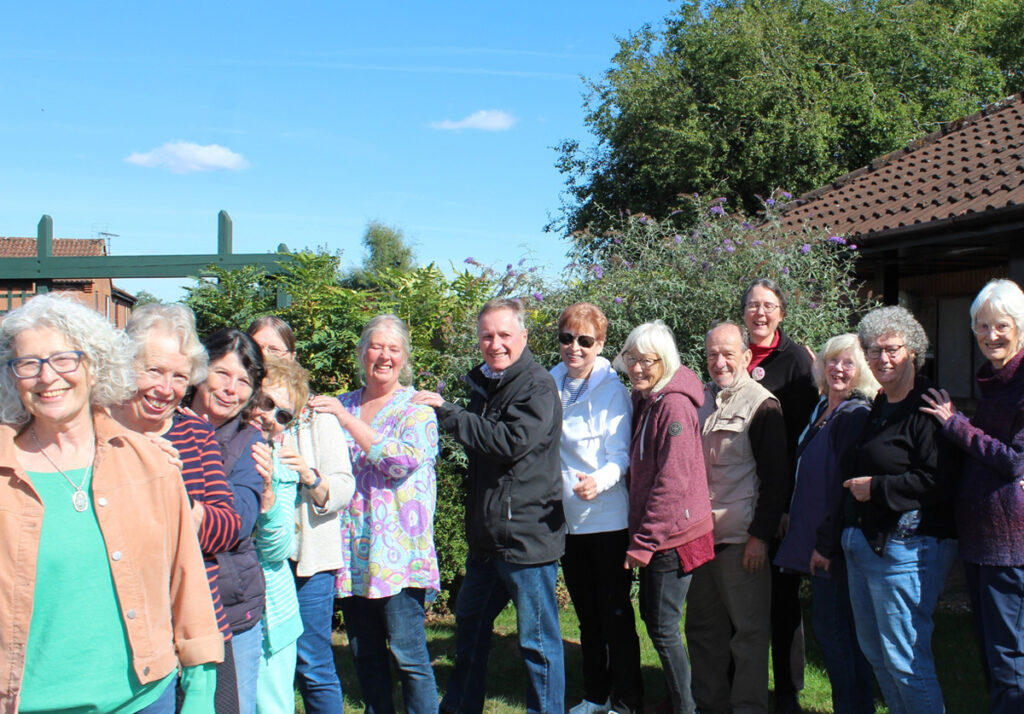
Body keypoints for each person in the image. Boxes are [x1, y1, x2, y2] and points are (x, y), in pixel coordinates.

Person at [0, 293, 223, 712]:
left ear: (94, 363)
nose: (48, 378)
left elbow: (187, 585)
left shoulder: (150, 465)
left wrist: (198, 695)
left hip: (144, 700)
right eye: (29, 363)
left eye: (64, 359)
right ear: (13, 377)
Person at [413, 297, 565, 714]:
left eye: (503, 335)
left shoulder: (536, 386)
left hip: (526, 541)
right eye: (486, 336)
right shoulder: (489, 384)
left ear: (523, 337)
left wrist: (448, 413)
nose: (495, 344)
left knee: (537, 643)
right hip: (487, 540)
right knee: (471, 628)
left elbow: (509, 443)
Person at [113, 303, 244, 712]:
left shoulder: (196, 432)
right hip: (123, 628)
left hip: (199, 626)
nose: (165, 388)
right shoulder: (97, 428)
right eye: (153, 370)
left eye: (179, 377)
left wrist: (181, 506)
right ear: (124, 363)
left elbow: (229, 527)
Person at [313, 314, 440, 714]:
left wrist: (347, 421)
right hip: (352, 553)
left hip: (398, 556)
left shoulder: (416, 407)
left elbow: (400, 461)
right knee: (365, 655)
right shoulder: (342, 403)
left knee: (409, 656)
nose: (384, 356)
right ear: (362, 353)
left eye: (393, 349)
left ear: (404, 358)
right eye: (376, 346)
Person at [841, 305, 958, 714]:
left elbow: (939, 480)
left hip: (910, 547)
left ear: (914, 351)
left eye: (892, 349)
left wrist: (876, 488)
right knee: (879, 655)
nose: (882, 358)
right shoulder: (881, 403)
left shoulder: (928, 405)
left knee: (905, 660)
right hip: (871, 544)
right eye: (873, 350)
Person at [920, 279, 1024, 713]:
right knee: (991, 652)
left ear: (1019, 326)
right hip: (984, 538)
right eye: (981, 326)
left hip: (1008, 543)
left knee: (1008, 659)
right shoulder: (996, 381)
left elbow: (1015, 460)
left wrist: (956, 425)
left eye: (1000, 325)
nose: (989, 335)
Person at [248, 315, 353, 714]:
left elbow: (343, 486)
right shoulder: (239, 411)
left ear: (291, 355)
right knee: (257, 663)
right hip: (257, 560)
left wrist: (309, 475)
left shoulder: (316, 416)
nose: (266, 357)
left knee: (312, 663)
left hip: (307, 560)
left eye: (275, 350)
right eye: (258, 349)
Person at [686, 321, 789, 714]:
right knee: (702, 630)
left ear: (746, 357)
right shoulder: (702, 399)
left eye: (728, 353)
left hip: (740, 542)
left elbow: (775, 480)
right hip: (700, 542)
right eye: (712, 354)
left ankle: (748, 707)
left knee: (748, 635)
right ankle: (710, 705)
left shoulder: (763, 405)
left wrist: (760, 538)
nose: (719, 361)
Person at [774, 334, 879, 714]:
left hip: (832, 547)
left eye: (848, 363)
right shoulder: (823, 406)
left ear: (862, 370)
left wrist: (826, 543)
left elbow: (844, 489)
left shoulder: (854, 415)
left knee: (838, 636)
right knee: (835, 633)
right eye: (832, 360)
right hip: (816, 538)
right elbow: (807, 467)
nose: (838, 368)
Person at [616, 320, 714, 714]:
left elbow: (672, 482)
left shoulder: (671, 404)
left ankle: (685, 708)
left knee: (661, 626)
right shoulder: (648, 397)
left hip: (673, 536)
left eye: (647, 360)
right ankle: (679, 702)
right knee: (658, 621)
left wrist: (643, 543)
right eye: (631, 359)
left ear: (666, 361)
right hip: (662, 533)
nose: (637, 368)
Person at [551, 303, 642, 714]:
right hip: (566, 525)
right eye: (567, 338)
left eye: (585, 341)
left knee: (616, 617)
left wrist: (598, 481)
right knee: (587, 617)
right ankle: (595, 695)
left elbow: (620, 456)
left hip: (606, 520)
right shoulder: (548, 382)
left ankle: (625, 700)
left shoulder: (613, 389)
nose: (575, 348)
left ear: (600, 344)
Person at [740, 278, 817, 714]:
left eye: (768, 306)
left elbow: (802, 439)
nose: (760, 313)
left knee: (783, 599)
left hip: (781, 496)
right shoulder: (735, 355)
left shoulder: (796, 362)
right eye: (753, 305)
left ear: (781, 314)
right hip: (739, 495)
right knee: (744, 597)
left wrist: (788, 505)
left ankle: (787, 690)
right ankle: (740, 681)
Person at [190, 327, 269, 714]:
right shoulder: (159, 425)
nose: (230, 389)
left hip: (230, 605)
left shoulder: (250, 444)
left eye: (243, 381)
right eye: (222, 373)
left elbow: (234, 522)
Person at [249, 356, 309, 713]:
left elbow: (279, 549)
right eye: (265, 402)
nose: (269, 416)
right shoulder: (210, 447)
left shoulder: (282, 466)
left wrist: (267, 497)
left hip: (272, 611)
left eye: (282, 414)